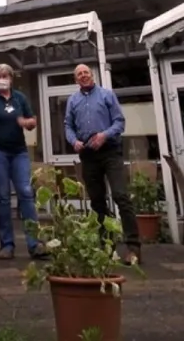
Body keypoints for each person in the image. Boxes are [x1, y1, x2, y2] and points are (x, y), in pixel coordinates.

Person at [64, 63, 141, 265]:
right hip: (88, 154)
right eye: (79, 74)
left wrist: (104, 136)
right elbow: (68, 126)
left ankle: (133, 246)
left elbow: (119, 122)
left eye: (86, 73)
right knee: (97, 201)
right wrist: (74, 141)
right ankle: (106, 246)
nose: (83, 76)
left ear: (93, 76)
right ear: (76, 80)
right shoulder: (73, 101)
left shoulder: (107, 95)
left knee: (120, 196)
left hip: (110, 151)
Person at [0, 63, 46, 260]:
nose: (2, 78)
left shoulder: (19, 98)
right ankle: (7, 244)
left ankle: (34, 243)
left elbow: (32, 121)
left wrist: (28, 122)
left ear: (11, 78)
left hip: (19, 152)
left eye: (5, 75)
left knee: (25, 191)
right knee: (4, 197)